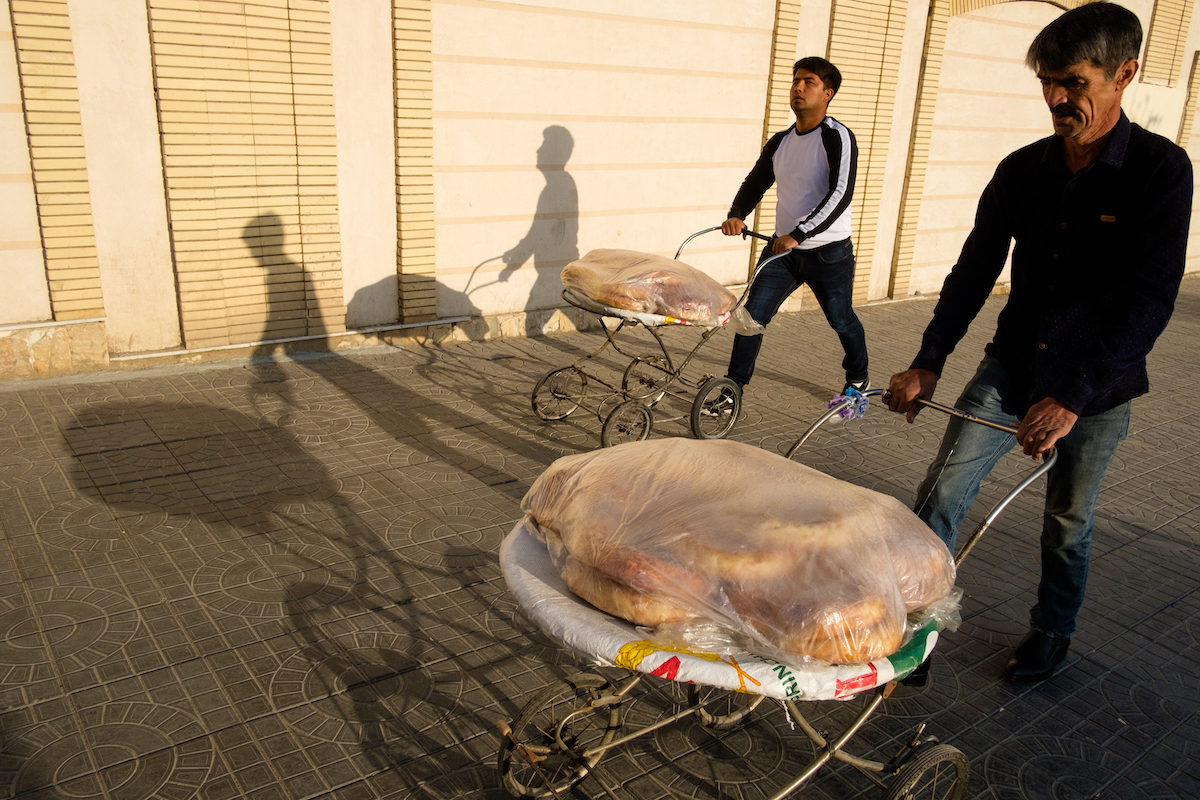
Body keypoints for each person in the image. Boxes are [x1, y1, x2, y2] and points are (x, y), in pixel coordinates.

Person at [885, 2, 1192, 682]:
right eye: (1047, 82)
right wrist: (928, 361)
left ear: (1124, 75)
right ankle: (916, 635)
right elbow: (974, 270)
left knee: (1067, 521)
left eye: (1074, 82)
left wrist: (1071, 397)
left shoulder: (1160, 170)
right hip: (1012, 368)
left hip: (1097, 389)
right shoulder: (1022, 169)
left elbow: (1148, 299)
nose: (1055, 99)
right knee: (940, 494)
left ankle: (1053, 631)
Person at [721, 56, 868, 399]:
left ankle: (858, 376)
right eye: (796, 81)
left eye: (809, 82)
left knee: (841, 320)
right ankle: (732, 389)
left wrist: (799, 234)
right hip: (782, 253)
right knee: (750, 318)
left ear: (828, 93)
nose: (798, 88)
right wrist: (737, 213)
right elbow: (756, 182)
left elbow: (841, 194)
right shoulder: (780, 141)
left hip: (829, 254)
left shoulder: (838, 137)